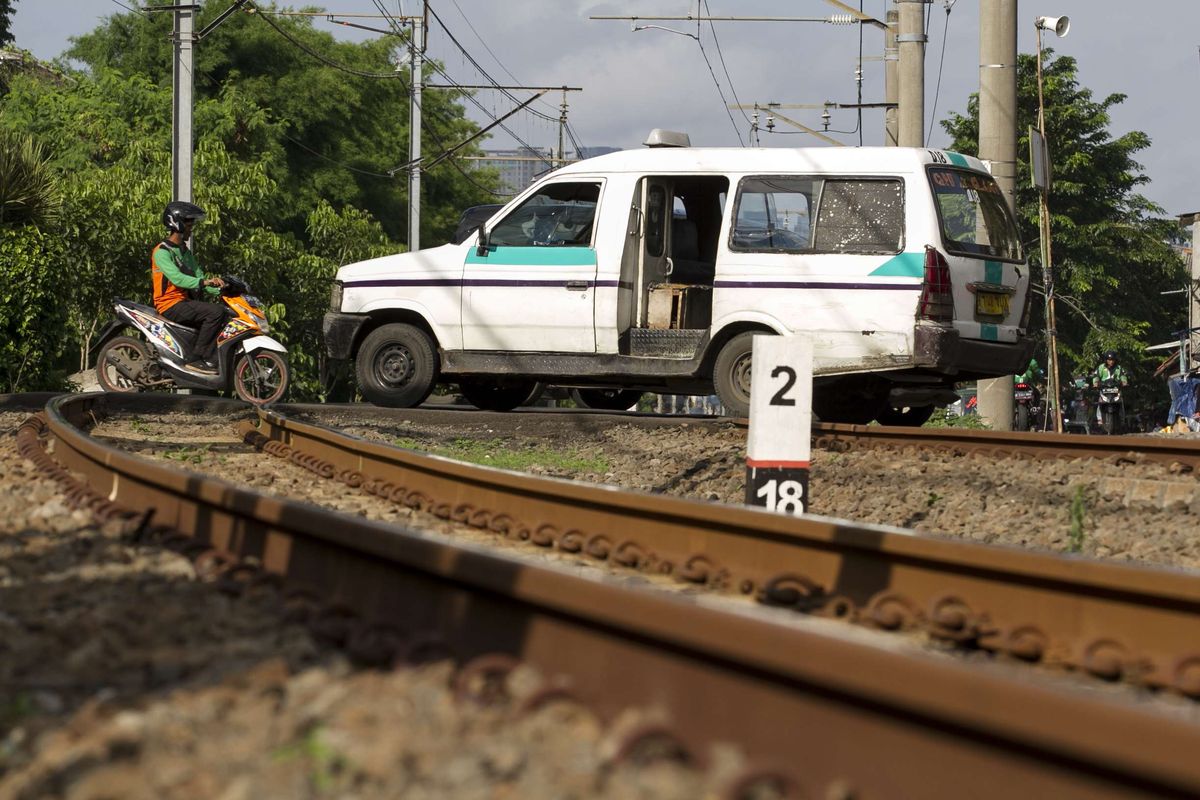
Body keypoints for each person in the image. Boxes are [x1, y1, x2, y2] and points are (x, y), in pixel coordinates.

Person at [151, 201, 226, 372]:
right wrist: (204, 282)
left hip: (184, 303)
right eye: (189, 225)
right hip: (169, 304)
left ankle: (211, 363)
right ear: (177, 224)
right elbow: (178, 279)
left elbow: (199, 278)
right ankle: (196, 358)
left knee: (225, 313)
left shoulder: (185, 252)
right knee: (215, 312)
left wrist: (221, 289)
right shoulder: (162, 252)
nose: (191, 230)